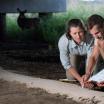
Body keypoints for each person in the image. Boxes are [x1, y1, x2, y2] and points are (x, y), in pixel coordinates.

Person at [58, 19, 93, 86]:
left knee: (92, 77)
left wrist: (87, 75)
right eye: (74, 33)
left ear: (84, 30)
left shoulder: (90, 37)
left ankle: (84, 70)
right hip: (74, 55)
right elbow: (66, 64)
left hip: (89, 56)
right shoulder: (63, 41)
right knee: (71, 78)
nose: (78, 36)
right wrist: (80, 79)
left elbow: (91, 57)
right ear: (69, 33)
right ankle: (81, 71)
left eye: (80, 32)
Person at [82, 14, 104, 88]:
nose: (95, 37)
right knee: (92, 81)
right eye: (92, 34)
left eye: (97, 33)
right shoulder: (98, 38)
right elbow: (94, 57)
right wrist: (88, 73)